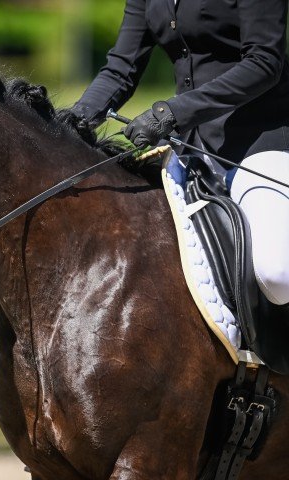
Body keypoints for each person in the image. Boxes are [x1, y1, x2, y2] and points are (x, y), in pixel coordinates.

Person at [72, 0, 289, 307]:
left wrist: (174, 112)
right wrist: (69, 124)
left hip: (257, 140)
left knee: (277, 274)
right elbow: (121, 68)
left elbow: (264, 62)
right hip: (189, 148)